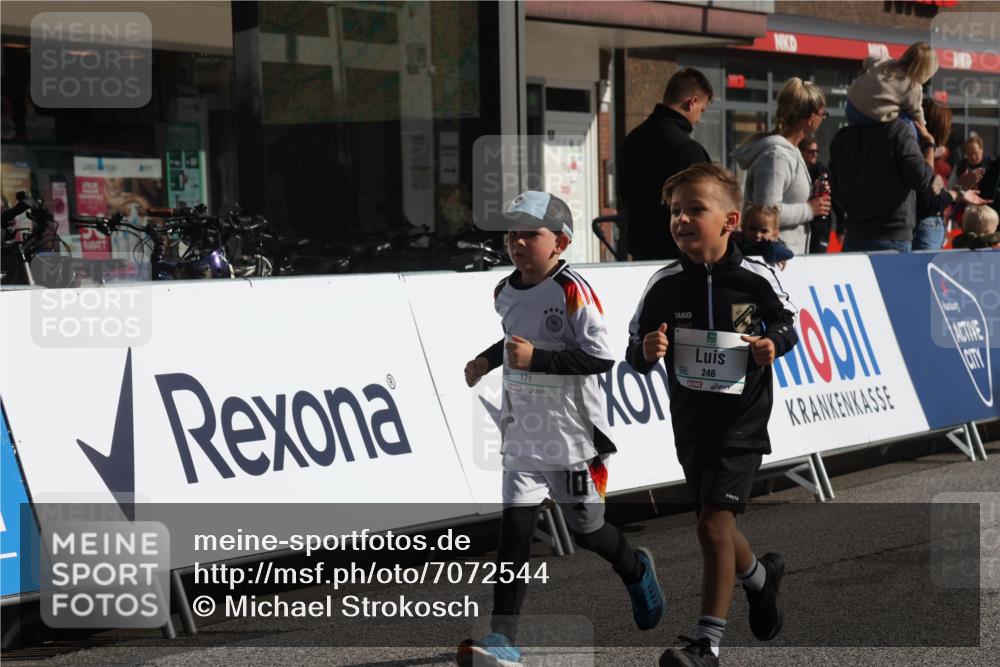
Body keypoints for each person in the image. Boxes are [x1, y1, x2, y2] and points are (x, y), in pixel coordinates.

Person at [457, 191, 665, 667]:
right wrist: (486, 361)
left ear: (561, 243)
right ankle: (504, 638)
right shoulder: (504, 290)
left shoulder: (573, 290)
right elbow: (513, 336)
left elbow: (600, 357)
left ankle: (636, 568)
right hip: (524, 436)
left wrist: (538, 359)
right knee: (513, 535)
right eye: (512, 232)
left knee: (588, 530)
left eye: (530, 233)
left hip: (573, 440)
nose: (517, 241)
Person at [626, 164, 798, 666]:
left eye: (694, 209)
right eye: (675, 211)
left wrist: (772, 343)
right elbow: (633, 351)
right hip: (691, 423)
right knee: (714, 523)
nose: (681, 219)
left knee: (710, 528)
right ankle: (760, 580)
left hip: (742, 421)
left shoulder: (756, 275)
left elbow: (789, 323)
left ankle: (707, 643)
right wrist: (647, 349)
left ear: (729, 221)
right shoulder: (663, 284)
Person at [619, 67, 713, 260]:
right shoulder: (687, 149)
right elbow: (705, 204)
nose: (699, 118)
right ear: (692, 102)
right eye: (701, 110)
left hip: (641, 253)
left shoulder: (632, 140)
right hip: (679, 255)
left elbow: (624, 197)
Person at [733, 78, 831, 256]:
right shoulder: (777, 156)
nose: (822, 119)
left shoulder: (790, 151)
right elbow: (766, 212)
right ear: (811, 118)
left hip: (785, 253)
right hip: (775, 258)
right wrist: (810, 209)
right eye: (822, 114)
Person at [829, 109, 935, 252]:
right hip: (892, 237)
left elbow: (836, 192)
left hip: (855, 235)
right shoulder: (898, 130)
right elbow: (921, 180)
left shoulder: (841, 138)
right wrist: (929, 145)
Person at [845, 42, 938, 146]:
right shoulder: (913, 87)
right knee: (908, 121)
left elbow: (867, 60)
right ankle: (911, 151)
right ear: (926, 71)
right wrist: (924, 131)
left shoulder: (885, 61)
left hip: (850, 106)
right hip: (867, 118)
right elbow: (917, 113)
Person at [738, 204, 794, 268]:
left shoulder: (770, 246)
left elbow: (789, 254)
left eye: (764, 231)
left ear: (775, 233)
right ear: (743, 229)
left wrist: (778, 256)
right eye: (752, 229)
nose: (757, 235)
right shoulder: (735, 246)